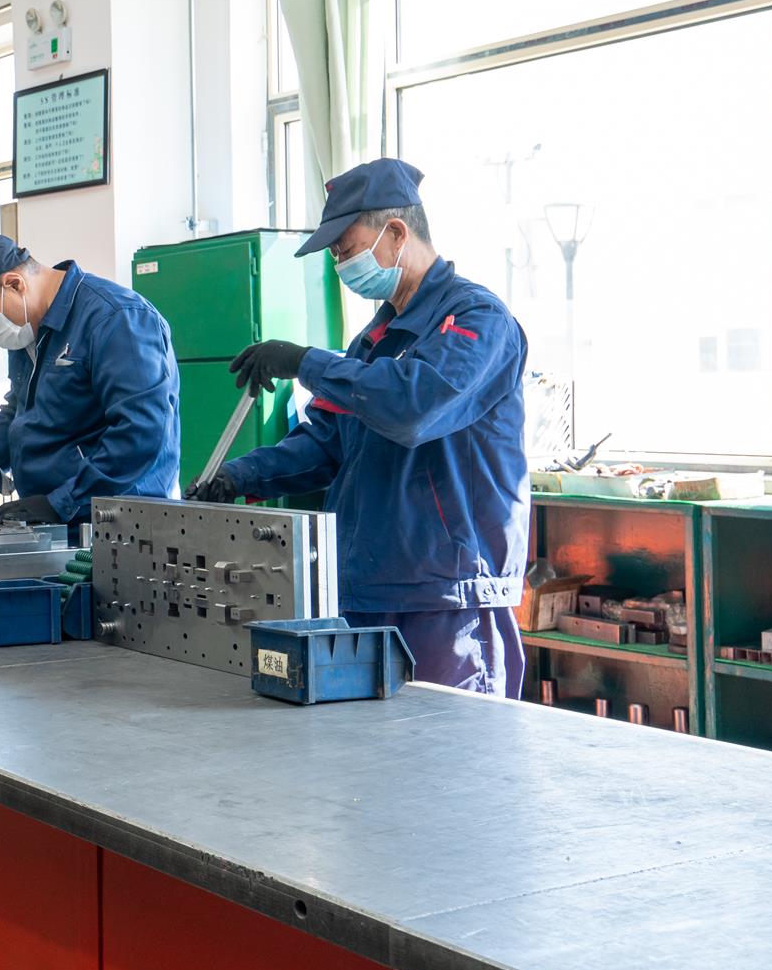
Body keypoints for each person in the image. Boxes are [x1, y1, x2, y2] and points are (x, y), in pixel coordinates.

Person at [188, 158, 531, 698]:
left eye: (345, 249)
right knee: (365, 749)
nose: (340, 264)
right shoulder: (373, 341)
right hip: (365, 591)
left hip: (447, 601)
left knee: (450, 746)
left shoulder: (477, 320)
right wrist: (238, 476)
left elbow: (413, 407)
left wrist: (306, 362)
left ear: (395, 233)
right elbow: (326, 442)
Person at [0, 235, 179, 529]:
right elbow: (22, 411)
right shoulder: (28, 331)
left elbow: (141, 430)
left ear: (14, 284)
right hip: (60, 521)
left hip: (118, 526)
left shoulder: (117, 318)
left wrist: (62, 502)